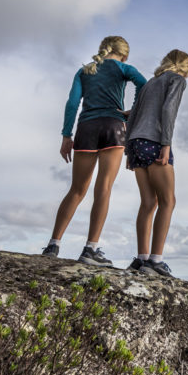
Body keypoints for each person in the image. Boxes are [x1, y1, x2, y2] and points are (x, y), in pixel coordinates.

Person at [44, 36, 147, 265]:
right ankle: (90, 249)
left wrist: (66, 136)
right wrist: (133, 111)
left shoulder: (84, 71)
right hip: (113, 126)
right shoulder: (124, 68)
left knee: (77, 190)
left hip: (86, 129)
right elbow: (144, 85)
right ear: (124, 55)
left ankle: (53, 245)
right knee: (104, 189)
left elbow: (72, 104)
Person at [124, 49, 188, 277]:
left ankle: (141, 259)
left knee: (148, 202)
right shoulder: (177, 80)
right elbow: (168, 109)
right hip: (154, 141)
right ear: (185, 68)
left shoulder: (151, 83)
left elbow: (133, 115)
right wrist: (166, 144)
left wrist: (127, 151)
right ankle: (156, 260)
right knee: (168, 201)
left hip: (134, 143)